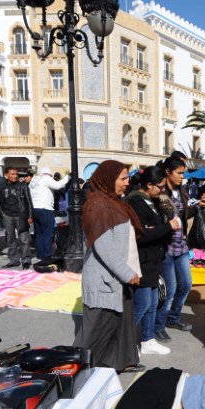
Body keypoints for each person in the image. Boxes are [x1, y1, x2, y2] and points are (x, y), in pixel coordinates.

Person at [74, 160, 143, 373]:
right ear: (107, 179)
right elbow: (104, 247)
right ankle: (73, 368)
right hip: (107, 277)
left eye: (127, 177)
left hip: (119, 276)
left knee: (120, 323)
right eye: (122, 178)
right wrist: (126, 273)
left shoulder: (114, 203)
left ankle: (121, 362)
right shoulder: (98, 205)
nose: (127, 182)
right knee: (97, 327)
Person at [126, 166, 181, 355]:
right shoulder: (136, 202)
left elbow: (152, 228)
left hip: (152, 260)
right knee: (141, 304)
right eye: (160, 186)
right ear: (149, 185)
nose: (162, 190)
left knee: (151, 303)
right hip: (142, 261)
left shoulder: (150, 200)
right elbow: (140, 235)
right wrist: (168, 226)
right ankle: (122, 343)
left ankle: (147, 339)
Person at [155, 155, 205, 340]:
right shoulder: (160, 193)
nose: (181, 177)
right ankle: (158, 325)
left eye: (183, 174)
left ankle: (174, 317)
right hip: (167, 248)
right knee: (169, 290)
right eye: (179, 173)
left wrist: (198, 205)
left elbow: (183, 214)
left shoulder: (182, 190)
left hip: (182, 245)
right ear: (168, 172)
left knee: (185, 285)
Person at [30, 167, 70, 262]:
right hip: (45, 208)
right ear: (48, 174)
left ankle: (40, 254)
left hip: (35, 209)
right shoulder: (46, 178)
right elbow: (57, 185)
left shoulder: (33, 182)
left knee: (39, 233)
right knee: (48, 233)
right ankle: (47, 255)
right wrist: (68, 177)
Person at [0, 167, 34, 269]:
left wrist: (30, 215)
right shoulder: (1, 187)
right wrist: (3, 215)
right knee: (10, 239)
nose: (15, 176)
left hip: (21, 216)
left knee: (24, 239)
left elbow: (29, 202)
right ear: (6, 175)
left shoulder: (23, 186)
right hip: (8, 216)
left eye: (16, 174)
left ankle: (26, 259)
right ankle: (14, 259)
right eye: (12, 174)